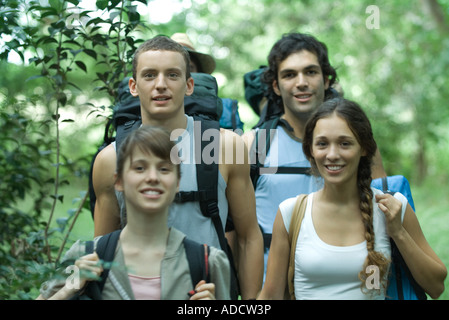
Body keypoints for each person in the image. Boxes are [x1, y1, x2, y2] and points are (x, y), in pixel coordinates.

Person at [92, 35, 263, 300]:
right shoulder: (110, 158)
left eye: (172, 75)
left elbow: (249, 236)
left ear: (189, 84)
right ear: (134, 86)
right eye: (150, 75)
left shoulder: (225, 147)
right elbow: (101, 249)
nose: (161, 85)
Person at [258, 98, 447, 300]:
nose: (332, 154)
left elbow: (436, 287)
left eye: (344, 143)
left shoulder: (390, 207)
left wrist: (399, 233)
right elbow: (270, 297)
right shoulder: (291, 213)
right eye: (322, 144)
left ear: (364, 148)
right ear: (311, 150)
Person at [242, 32, 386, 279]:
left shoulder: (357, 143)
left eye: (310, 72)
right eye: (289, 74)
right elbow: (241, 235)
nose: (301, 82)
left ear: (327, 79)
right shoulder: (253, 144)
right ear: (276, 86)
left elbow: (382, 213)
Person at [37, 126, 230, 300]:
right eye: (139, 168)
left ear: (177, 183)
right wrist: (67, 290)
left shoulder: (208, 263)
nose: (152, 177)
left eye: (164, 169)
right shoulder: (86, 255)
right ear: (118, 181)